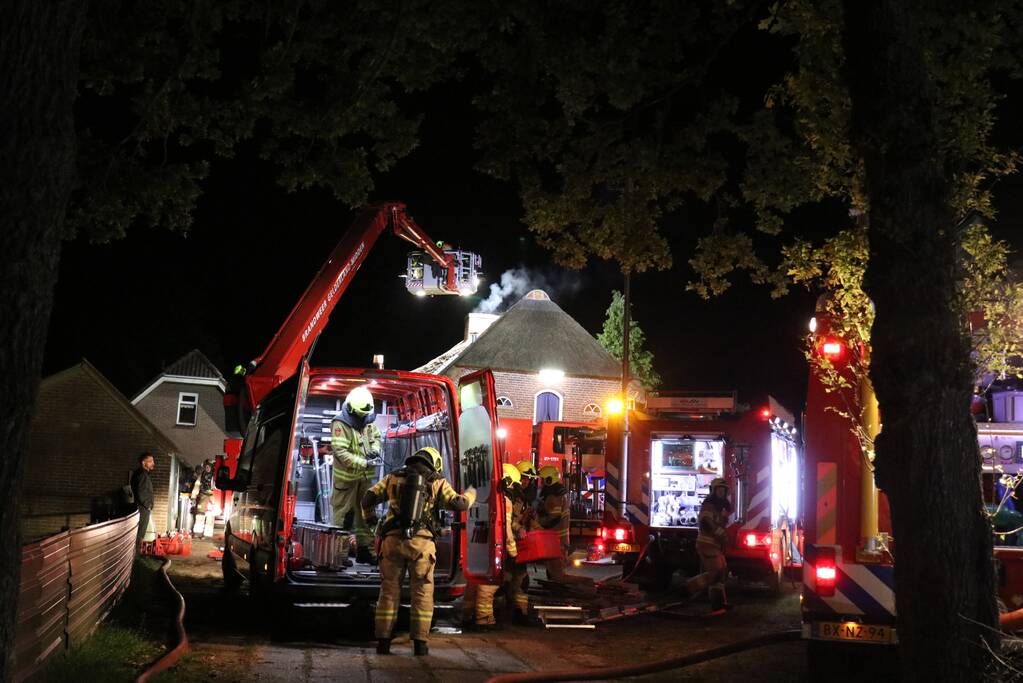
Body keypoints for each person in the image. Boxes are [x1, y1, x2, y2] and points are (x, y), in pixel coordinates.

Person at [363, 446, 476, 656]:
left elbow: (368, 498)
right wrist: (472, 493)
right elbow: (458, 504)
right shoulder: (437, 482)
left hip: (392, 542)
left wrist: (370, 520)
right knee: (422, 593)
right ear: (435, 464)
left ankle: (383, 642)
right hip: (422, 545)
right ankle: (420, 645)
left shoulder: (392, 477)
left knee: (388, 592)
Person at [462, 464, 541, 630]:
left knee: (475, 583)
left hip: (479, 546)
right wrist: (512, 551)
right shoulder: (503, 502)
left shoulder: (483, 496)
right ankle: (484, 620)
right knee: (489, 584)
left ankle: (467, 615)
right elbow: (506, 530)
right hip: (496, 548)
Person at [332, 385, 383, 564]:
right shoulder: (340, 424)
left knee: (366, 514)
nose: (362, 418)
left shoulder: (368, 418)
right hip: (346, 481)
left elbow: (376, 437)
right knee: (343, 517)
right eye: (359, 414)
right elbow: (341, 452)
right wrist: (363, 462)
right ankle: (338, 555)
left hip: (365, 479)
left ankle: (366, 551)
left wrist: (375, 450)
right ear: (351, 408)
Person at [695, 477, 733, 614]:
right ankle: (715, 605)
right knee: (716, 574)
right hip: (707, 545)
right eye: (719, 490)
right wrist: (720, 533)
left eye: (724, 490)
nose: (722, 492)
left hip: (715, 546)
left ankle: (722, 603)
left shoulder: (720, 506)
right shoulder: (708, 505)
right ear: (713, 491)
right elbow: (706, 522)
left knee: (722, 572)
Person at [536, 465, 571, 582]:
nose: (541, 483)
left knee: (555, 570)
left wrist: (537, 521)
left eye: (543, 479)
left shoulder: (553, 497)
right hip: (561, 538)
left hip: (554, 539)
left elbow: (553, 519)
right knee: (558, 568)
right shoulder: (561, 493)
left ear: (549, 480)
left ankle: (557, 593)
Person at [131, 453, 156, 554]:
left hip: (142, 507)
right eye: (150, 461)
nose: (153, 463)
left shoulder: (142, 474)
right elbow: (141, 492)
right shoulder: (142, 475)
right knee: (140, 532)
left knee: (140, 532)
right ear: (143, 463)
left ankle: (136, 553)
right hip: (142, 508)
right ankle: (136, 554)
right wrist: (148, 505)